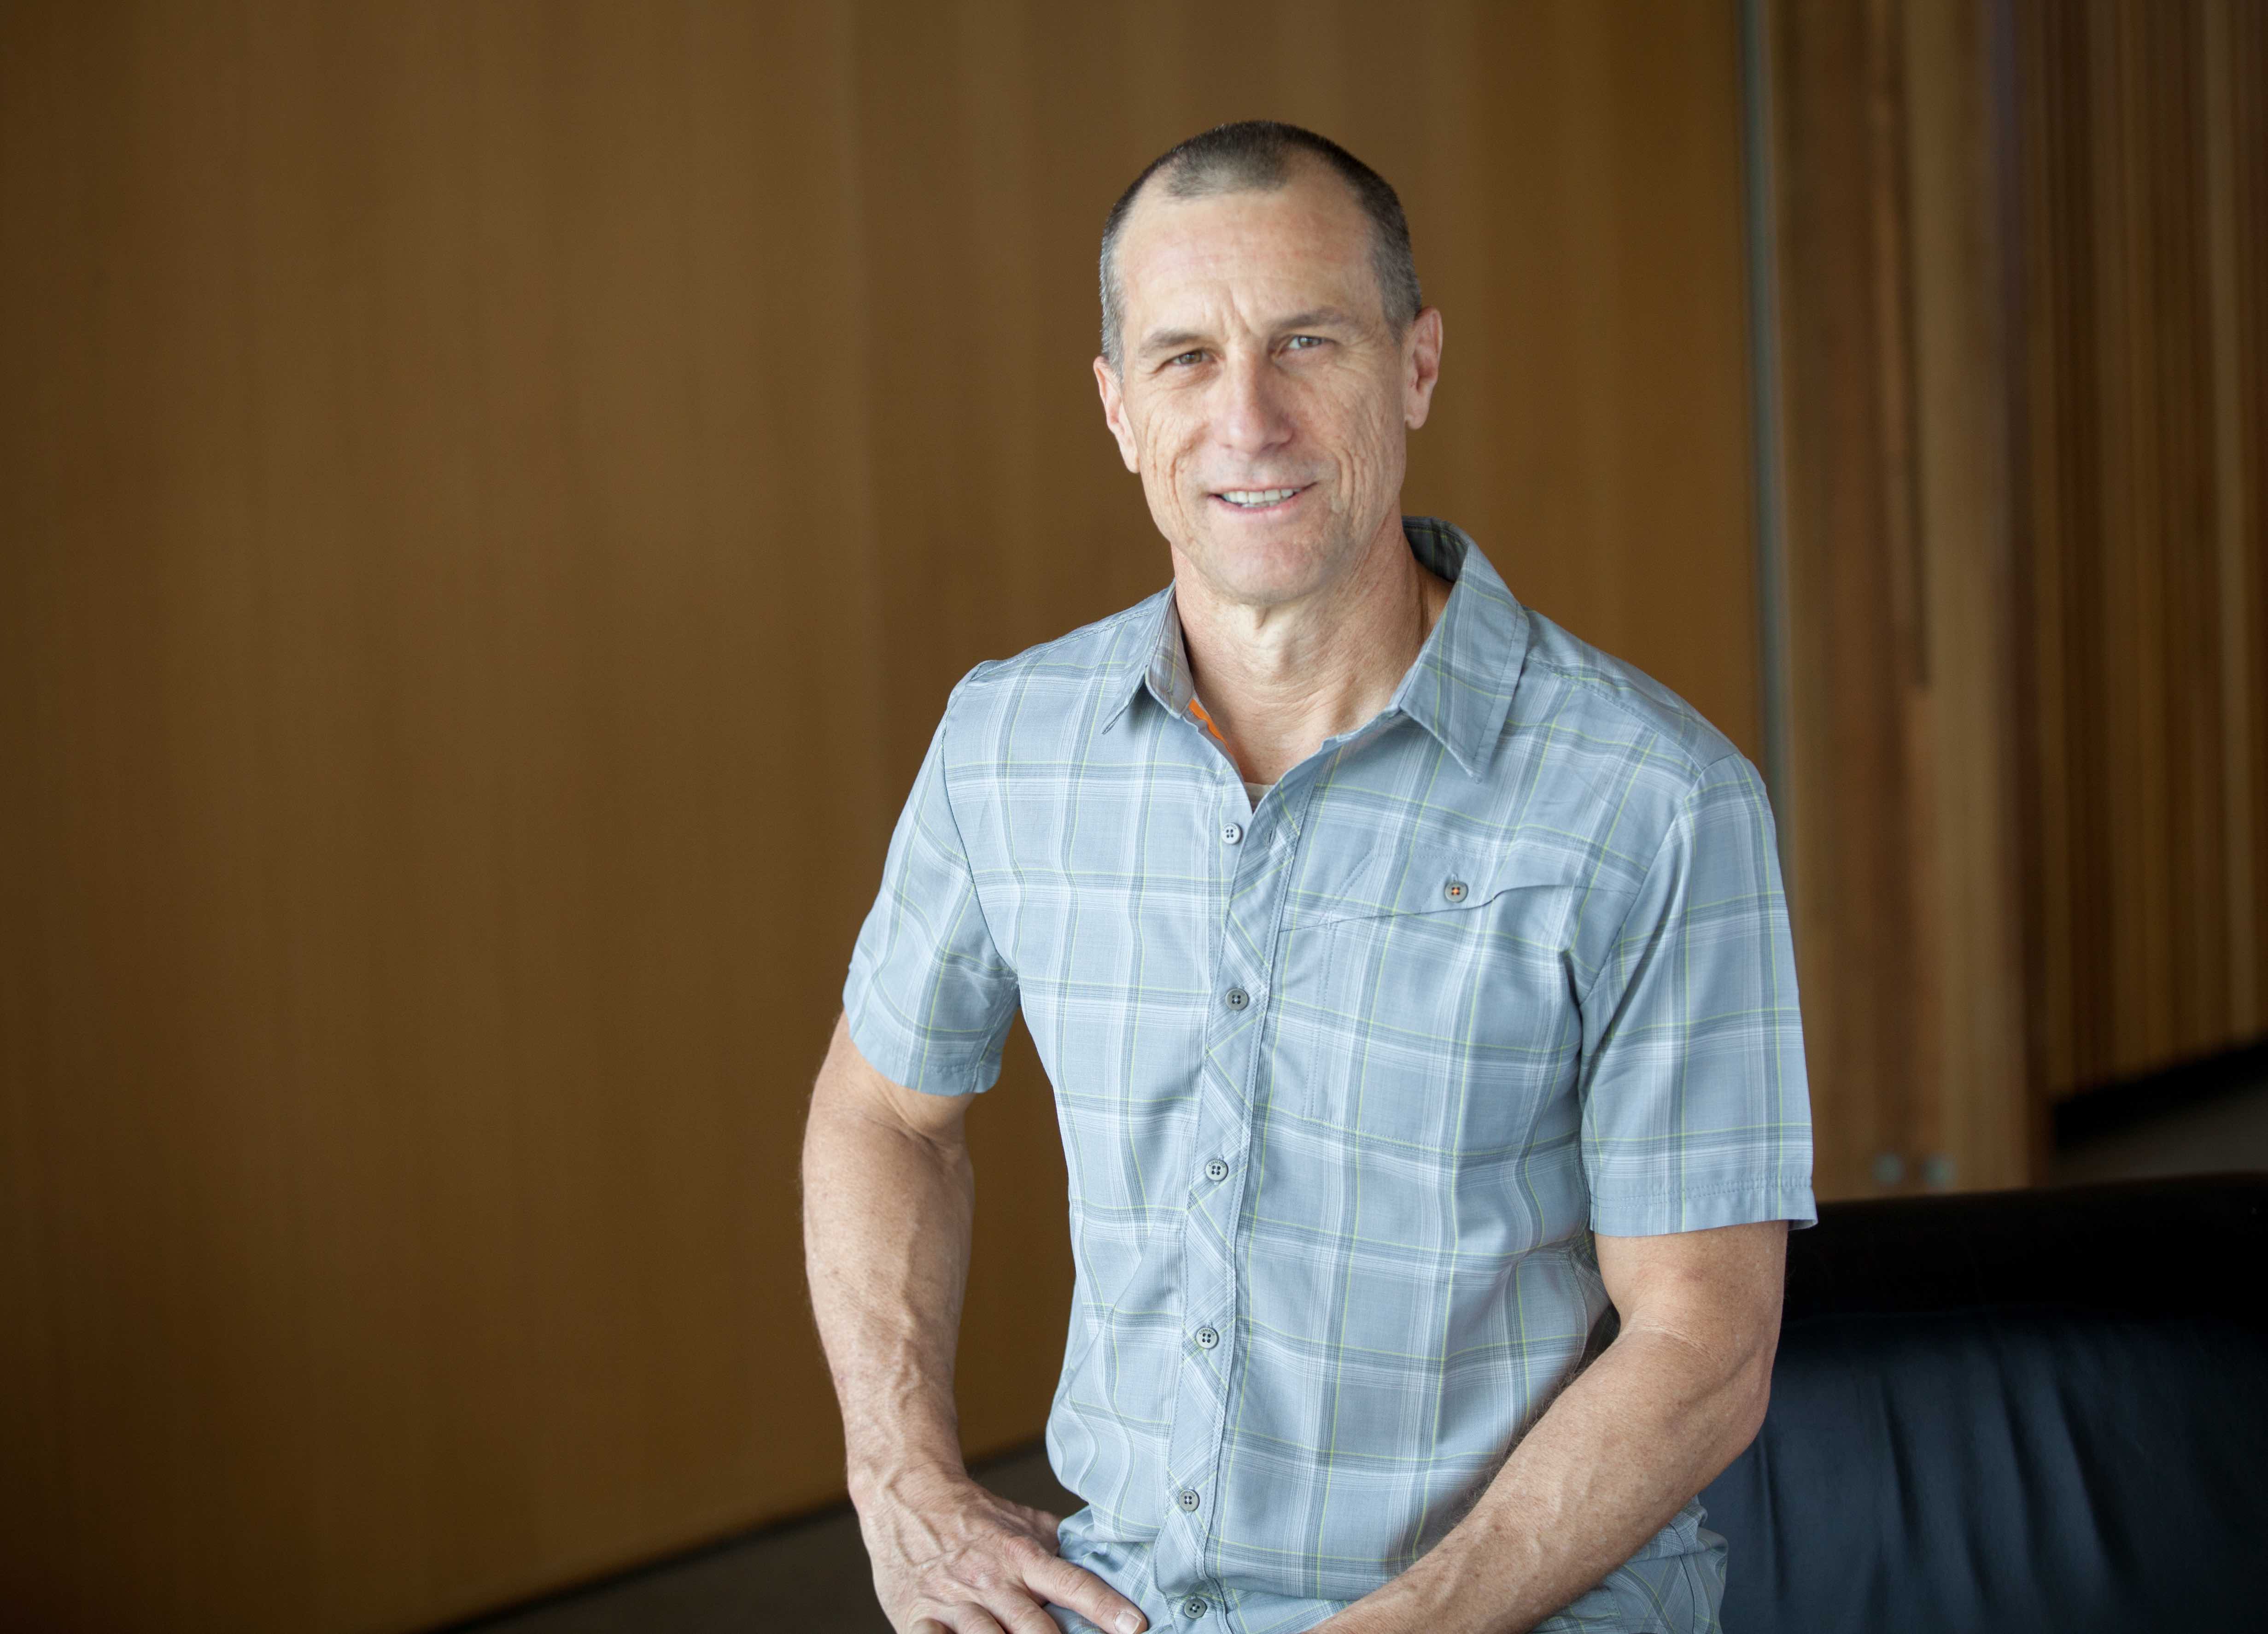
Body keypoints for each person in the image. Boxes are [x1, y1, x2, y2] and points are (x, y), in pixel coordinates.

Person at [802, 120, 1814, 1634]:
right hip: (1119, 1595)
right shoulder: (1006, 743)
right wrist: (900, 1481)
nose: (1248, 419)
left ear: (1416, 365)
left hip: (1516, 1606)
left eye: (1306, 343)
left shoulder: (1653, 801)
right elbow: (882, 1109)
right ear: (1117, 409)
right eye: (1184, 358)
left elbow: (1703, 1340)